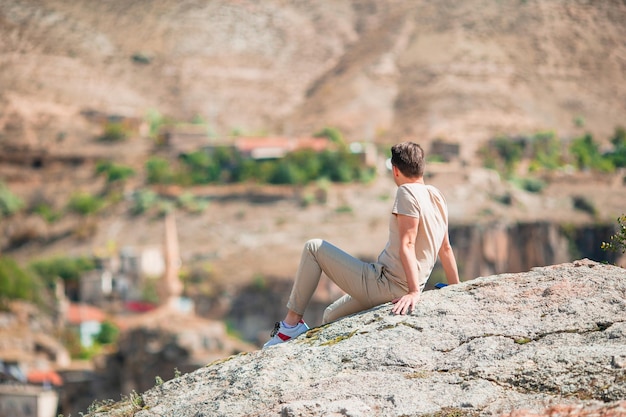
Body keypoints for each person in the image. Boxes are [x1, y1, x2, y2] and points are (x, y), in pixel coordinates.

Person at [263, 141, 460, 348]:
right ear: (422, 166)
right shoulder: (437, 195)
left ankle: (290, 325)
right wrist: (456, 288)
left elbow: (407, 244)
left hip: (385, 283)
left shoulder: (406, 192)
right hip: (395, 285)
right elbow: (445, 248)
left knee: (313, 248)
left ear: (395, 170)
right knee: (330, 315)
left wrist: (413, 292)